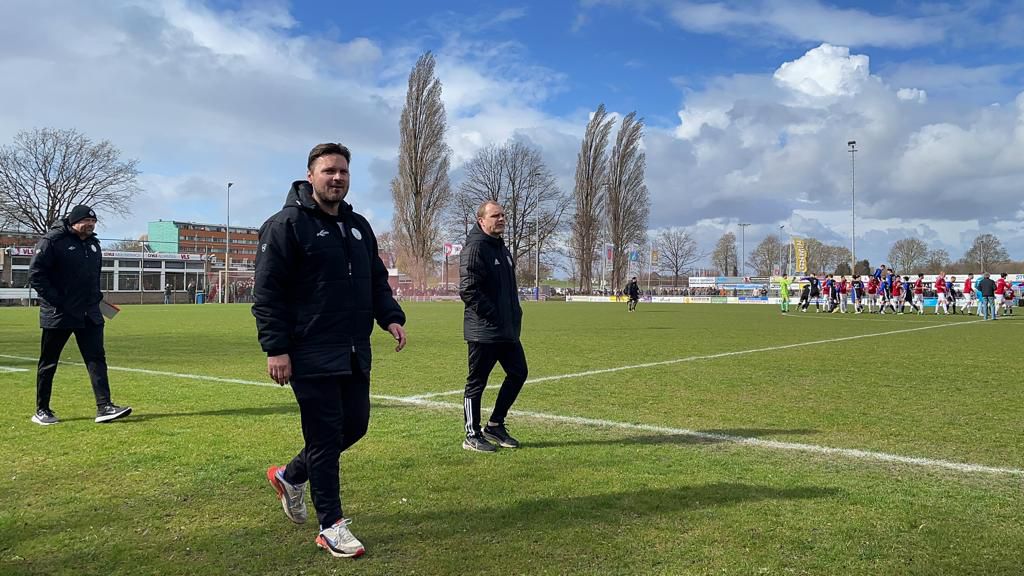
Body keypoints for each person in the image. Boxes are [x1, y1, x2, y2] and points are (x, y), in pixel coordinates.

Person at [253, 143, 407, 559]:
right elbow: (267, 294)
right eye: (328, 171)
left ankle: (290, 475)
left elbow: (375, 280)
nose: (336, 178)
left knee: (354, 426)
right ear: (310, 175)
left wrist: (391, 316)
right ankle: (331, 526)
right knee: (323, 438)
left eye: (342, 171)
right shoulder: (285, 225)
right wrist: (277, 348)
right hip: (309, 350)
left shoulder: (358, 226)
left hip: (354, 349)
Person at [28, 205, 132, 426]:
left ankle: (104, 406)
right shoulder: (52, 241)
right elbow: (36, 275)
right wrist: (58, 301)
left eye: (93, 222)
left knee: (96, 359)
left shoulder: (93, 244)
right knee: (49, 361)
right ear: (74, 221)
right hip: (60, 314)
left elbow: (92, 277)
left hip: (90, 313)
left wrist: (97, 298)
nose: (91, 225)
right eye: (86, 221)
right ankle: (42, 410)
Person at [459, 200, 527, 453]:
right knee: (476, 383)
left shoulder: (501, 248)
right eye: (495, 215)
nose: (501, 219)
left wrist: (512, 316)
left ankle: (495, 424)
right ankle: (471, 434)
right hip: (483, 331)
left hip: (506, 331)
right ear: (481, 221)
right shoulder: (475, 248)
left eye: (503, 215)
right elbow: (468, 290)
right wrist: (494, 315)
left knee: (519, 373)